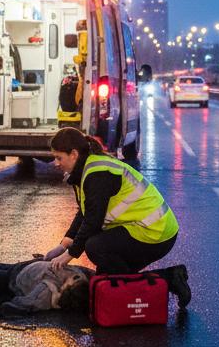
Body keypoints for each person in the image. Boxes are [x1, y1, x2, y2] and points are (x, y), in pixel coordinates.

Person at [43, 127, 191, 309]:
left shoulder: (97, 173)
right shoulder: (87, 168)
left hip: (155, 232)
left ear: (73, 154)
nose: (56, 163)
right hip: (145, 229)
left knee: (95, 246)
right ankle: (169, 278)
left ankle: (157, 284)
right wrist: (63, 244)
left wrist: (70, 254)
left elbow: (93, 221)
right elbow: (84, 212)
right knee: (110, 276)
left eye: (59, 157)